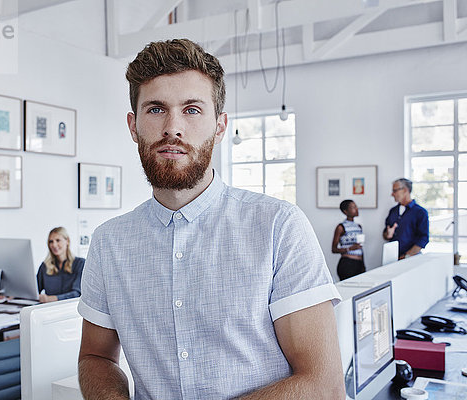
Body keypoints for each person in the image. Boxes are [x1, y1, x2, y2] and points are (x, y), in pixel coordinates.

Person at [77, 39, 345, 399]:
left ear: (219, 127)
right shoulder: (109, 242)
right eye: (156, 109)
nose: (173, 127)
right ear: (133, 125)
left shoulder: (279, 227)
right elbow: (95, 357)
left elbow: (322, 385)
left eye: (191, 110)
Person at [383, 178, 429, 259]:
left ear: (405, 190)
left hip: (412, 259)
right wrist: (388, 234)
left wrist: (406, 256)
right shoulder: (393, 211)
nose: (392, 194)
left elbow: (424, 238)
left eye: (394, 191)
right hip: (392, 259)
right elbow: (385, 234)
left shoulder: (420, 212)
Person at [36, 227, 85, 302]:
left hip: (70, 309)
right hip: (48, 310)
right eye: (51, 241)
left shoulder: (80, 263)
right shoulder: (45, 266)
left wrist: (50, 299)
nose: (54, 245)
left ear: (67, 241)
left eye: (58, 240)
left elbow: (77, 294)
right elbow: (34, 290)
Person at [332, 199, 365, 280]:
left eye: (356, 206)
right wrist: (349, 248)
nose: (356, 209)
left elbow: (360, 248)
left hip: (359, 263)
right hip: (347, 263)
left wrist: (363, 264)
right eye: (353, 207)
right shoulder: (341, 227)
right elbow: (334, 249)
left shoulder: (359, 227)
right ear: (345, 211)